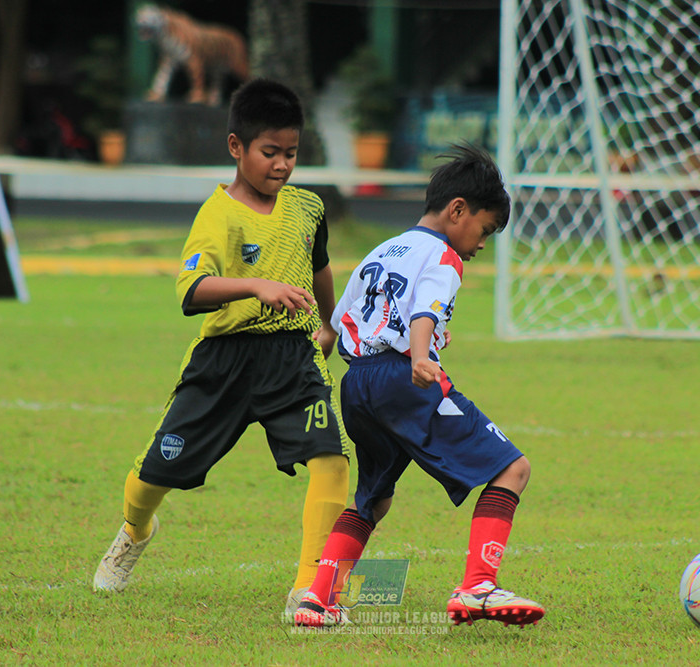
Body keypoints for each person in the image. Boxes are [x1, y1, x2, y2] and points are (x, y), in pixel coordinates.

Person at [93, 79, 351, 623]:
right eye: (270, 152)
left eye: (291, 153)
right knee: (154, 475)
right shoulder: (218, 214)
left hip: (292, 357)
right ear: (237, 146)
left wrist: (329, 324)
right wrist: (256, 285)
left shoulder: (308, 207)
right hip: (224, 362)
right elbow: (191, 291)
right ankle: (135, 530)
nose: (282, 165)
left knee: (330, 458)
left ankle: (311, 591)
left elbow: (320, 266)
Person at [294, 144, 544, 628]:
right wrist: (422, 354)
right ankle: (478, 587)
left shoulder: (383, 249)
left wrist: (313, 365)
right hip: (402, 377)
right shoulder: (444, 256)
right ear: (458, 210)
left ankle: (319, 600)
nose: (482, 243)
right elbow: (426, 307)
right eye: (485, 230)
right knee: (513, 469)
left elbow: (338, 322)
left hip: (357, 383)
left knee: (373, 498)